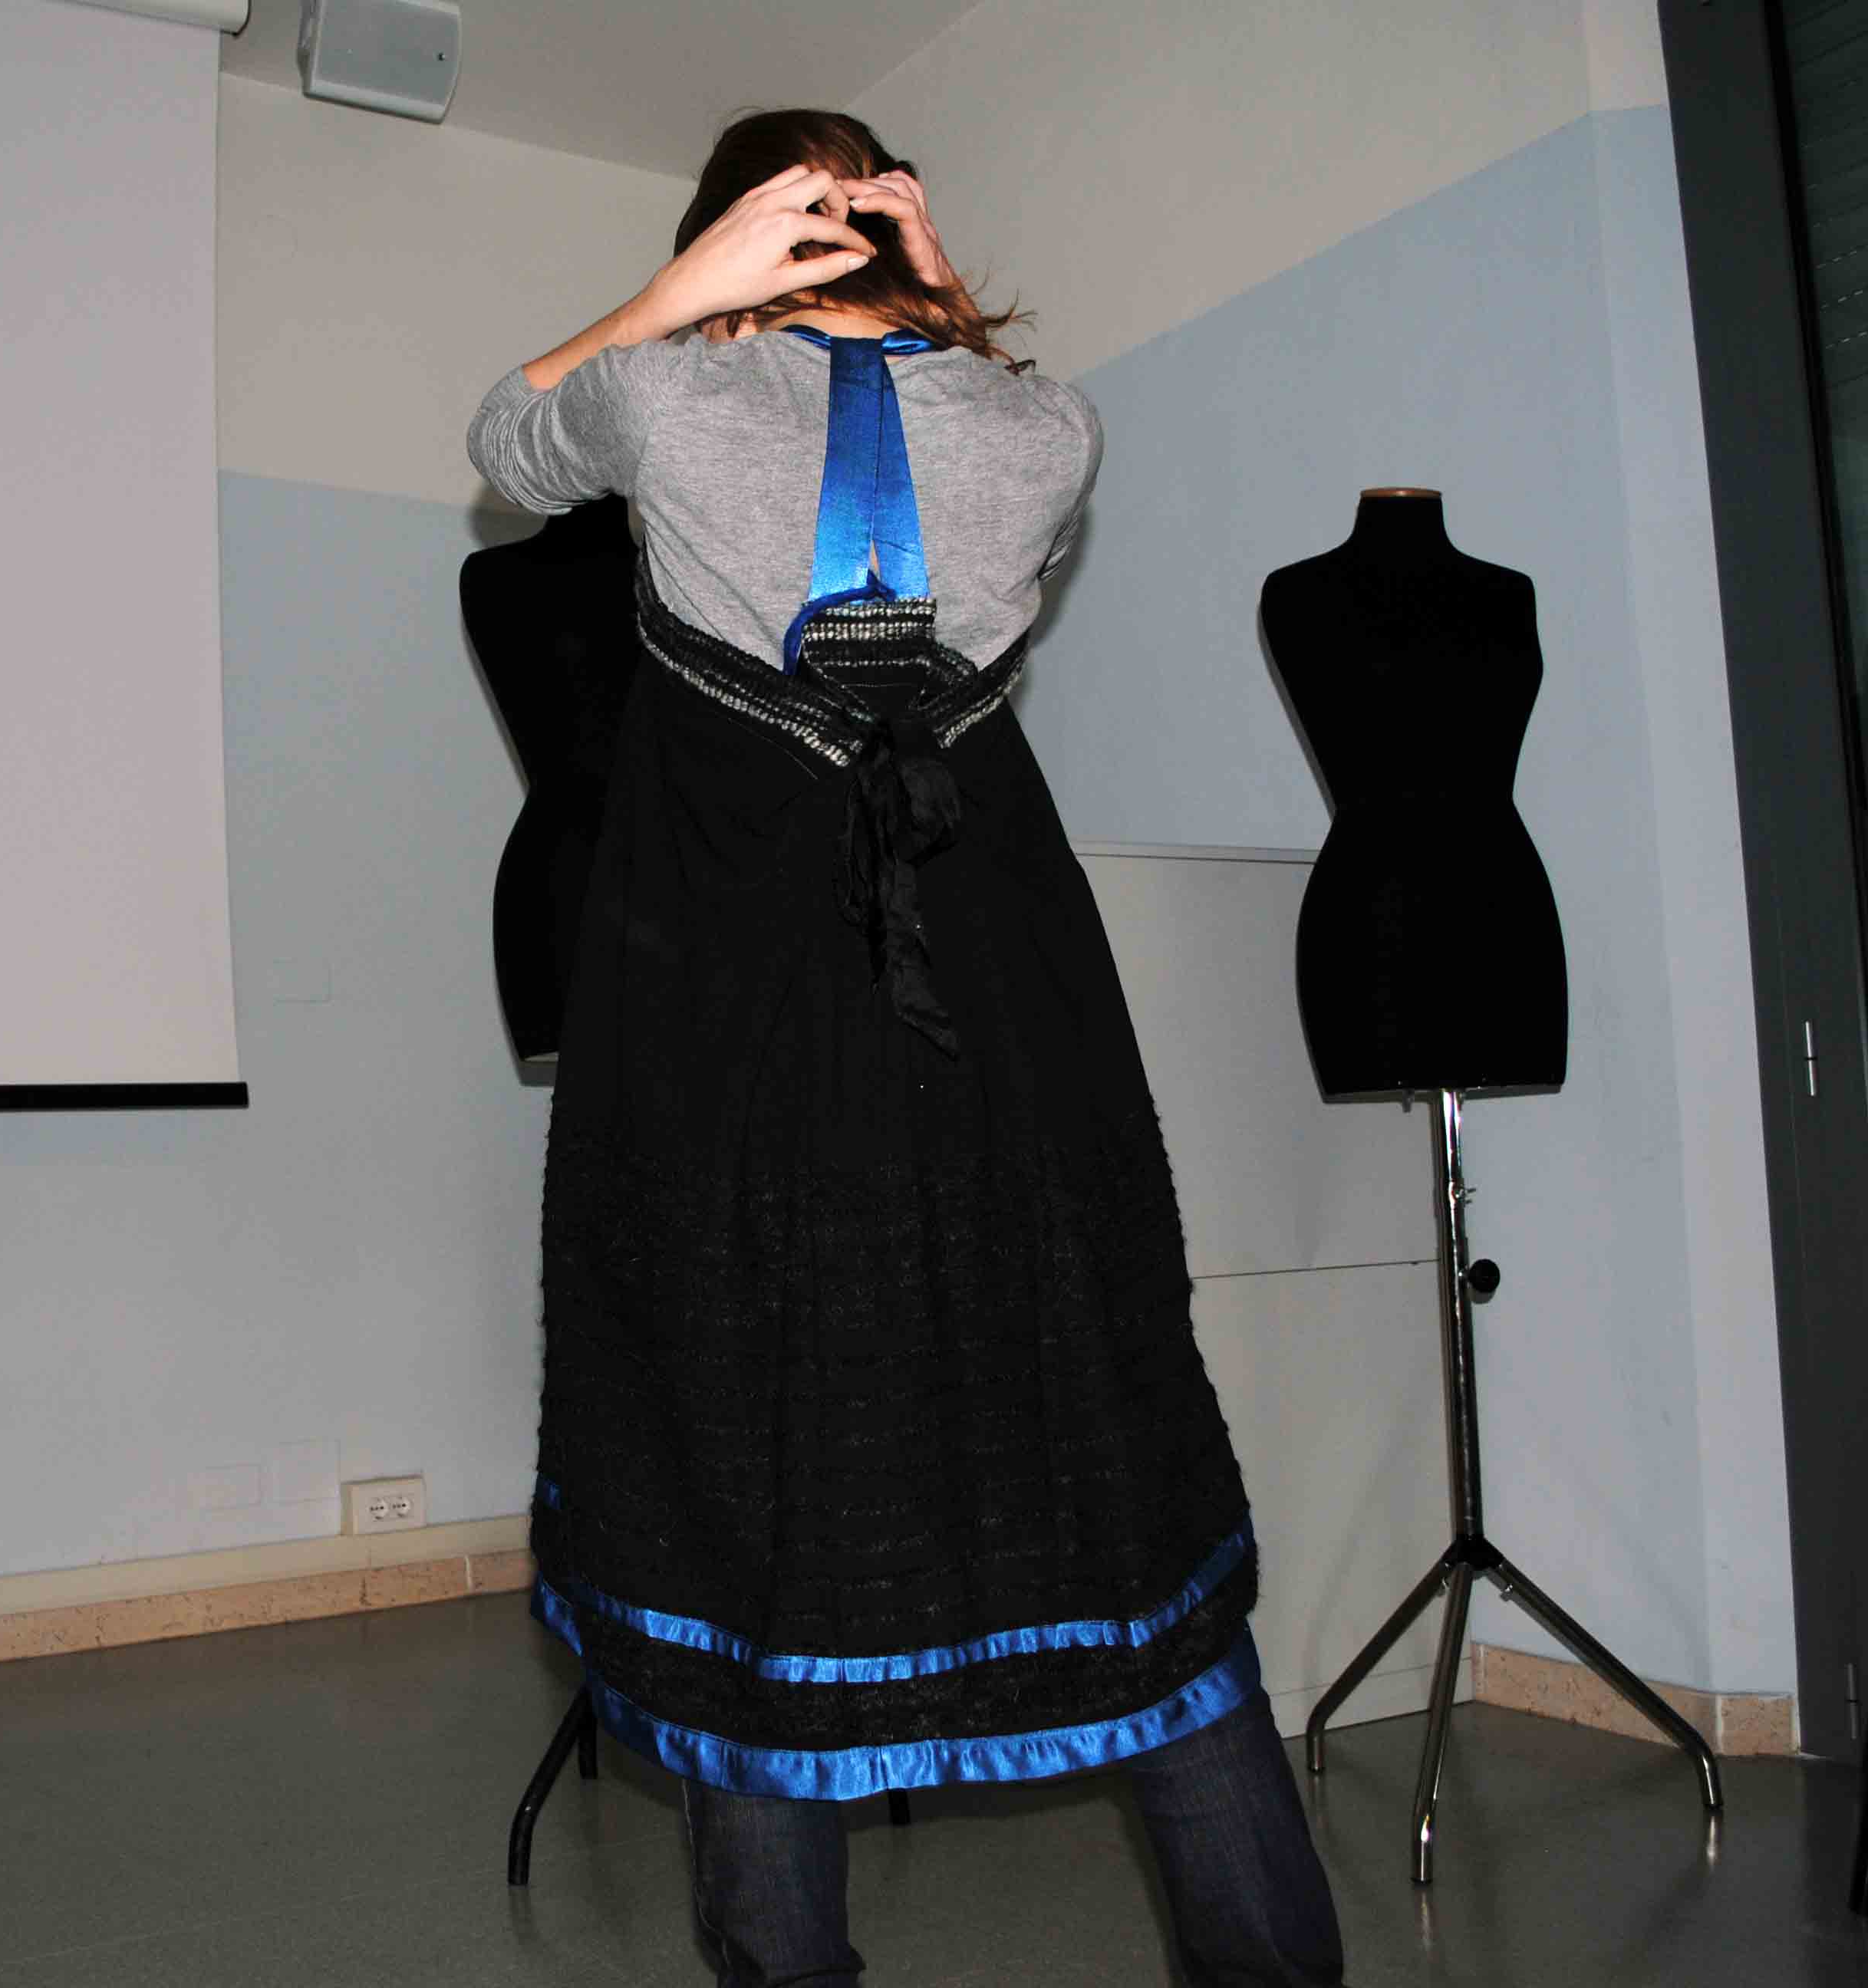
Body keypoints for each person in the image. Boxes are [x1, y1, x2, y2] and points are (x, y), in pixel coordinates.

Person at [468, 110, 1346, 1988]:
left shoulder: (658, 399)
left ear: (731, 233)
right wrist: (947, 310)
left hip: (739, 1031)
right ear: (896, 225)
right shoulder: (1046, 430)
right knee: (1102, 1459)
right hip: (1003, 1021)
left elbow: (506, 439)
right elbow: (996, 455)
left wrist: (668, 299)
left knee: (749, 1490)